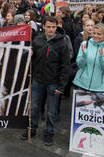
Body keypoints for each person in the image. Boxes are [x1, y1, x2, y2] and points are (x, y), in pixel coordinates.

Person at [21, 16, 70, 146]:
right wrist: (30, 54)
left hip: (53, 82)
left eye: (53, 27)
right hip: (38, 79)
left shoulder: (62, 43)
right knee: (34, 107)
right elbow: (33, 59)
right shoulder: (37, 39)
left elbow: (66, 66)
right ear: (43, 26)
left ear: (57, 27)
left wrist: (62, 85)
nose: (51, 29)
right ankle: (32, 128)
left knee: (51, 110)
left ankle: (49, 132)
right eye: (48, 27)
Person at [73, 23, 104, 93]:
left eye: (99, 34)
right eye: (94, 33)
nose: (95, 36)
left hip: (99, 88)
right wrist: (84, 55)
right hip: (81, 84)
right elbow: (79, 65)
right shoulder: (85, 44)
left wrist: (102, 59)